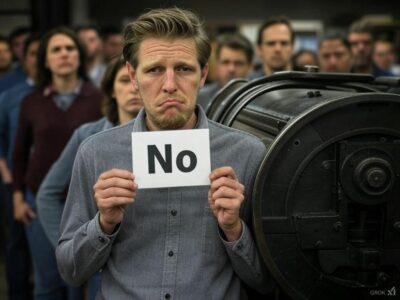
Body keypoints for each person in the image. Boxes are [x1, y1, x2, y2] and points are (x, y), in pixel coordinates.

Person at [56, 7, 273, 299]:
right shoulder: (96, 152)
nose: (169, 86)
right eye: (154, 70)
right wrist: (103, 224)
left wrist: (234, 229)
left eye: (183, 69)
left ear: (203, 73)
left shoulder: (247, 153)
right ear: (133, 76)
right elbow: (70, 271)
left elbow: (268, 282)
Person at [36, 55, 141, 300]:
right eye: (125, 80)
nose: (134, 88)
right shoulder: (88, 136)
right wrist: (73, 249)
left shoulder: (170, 137)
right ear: (111, 90)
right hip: (100, 256)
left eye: (138, 80)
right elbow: (47, 194)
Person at [12, 26, 102, 300]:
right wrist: (17, 196)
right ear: (45, 60)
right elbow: (19, 152)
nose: (64, 54)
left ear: (80, 56)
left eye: (70, 48)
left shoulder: (100, 99)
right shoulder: (31, 101)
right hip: (41, 201)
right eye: (56, 49)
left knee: (81, 283)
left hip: (87, 202)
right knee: (48, 281)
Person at [0, 34, 40, 300]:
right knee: (17, 245)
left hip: (49, 184)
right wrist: (9, 179)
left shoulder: (61, 95)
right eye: (33, 54)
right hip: (14, 181)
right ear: (23, 59)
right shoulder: (10, 95)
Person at [197, 33, 254, 110]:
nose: (231, 69)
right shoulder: (198, 97)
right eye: (225, 62)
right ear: (217, 64)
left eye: (238, 63)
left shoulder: (261, 98)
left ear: (250, 67)